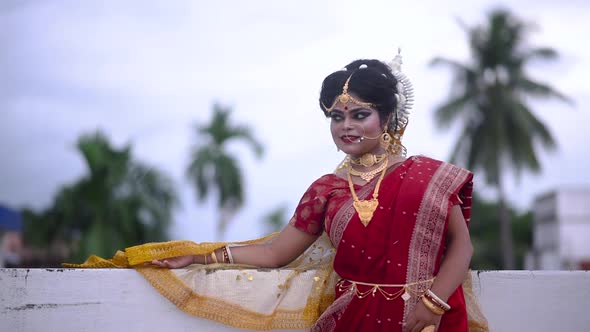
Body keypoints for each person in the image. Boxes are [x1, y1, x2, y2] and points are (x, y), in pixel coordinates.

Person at [146, 52, 477, 332]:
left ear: (388, 117)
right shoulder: (326, 190)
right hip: (354, 319)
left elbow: (461, 245)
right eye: (336, 117)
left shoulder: (427, 176)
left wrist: (434, 303)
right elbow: (275, 254)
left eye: (360, 115)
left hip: (429, 319)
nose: (346, 126)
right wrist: (201, 257)